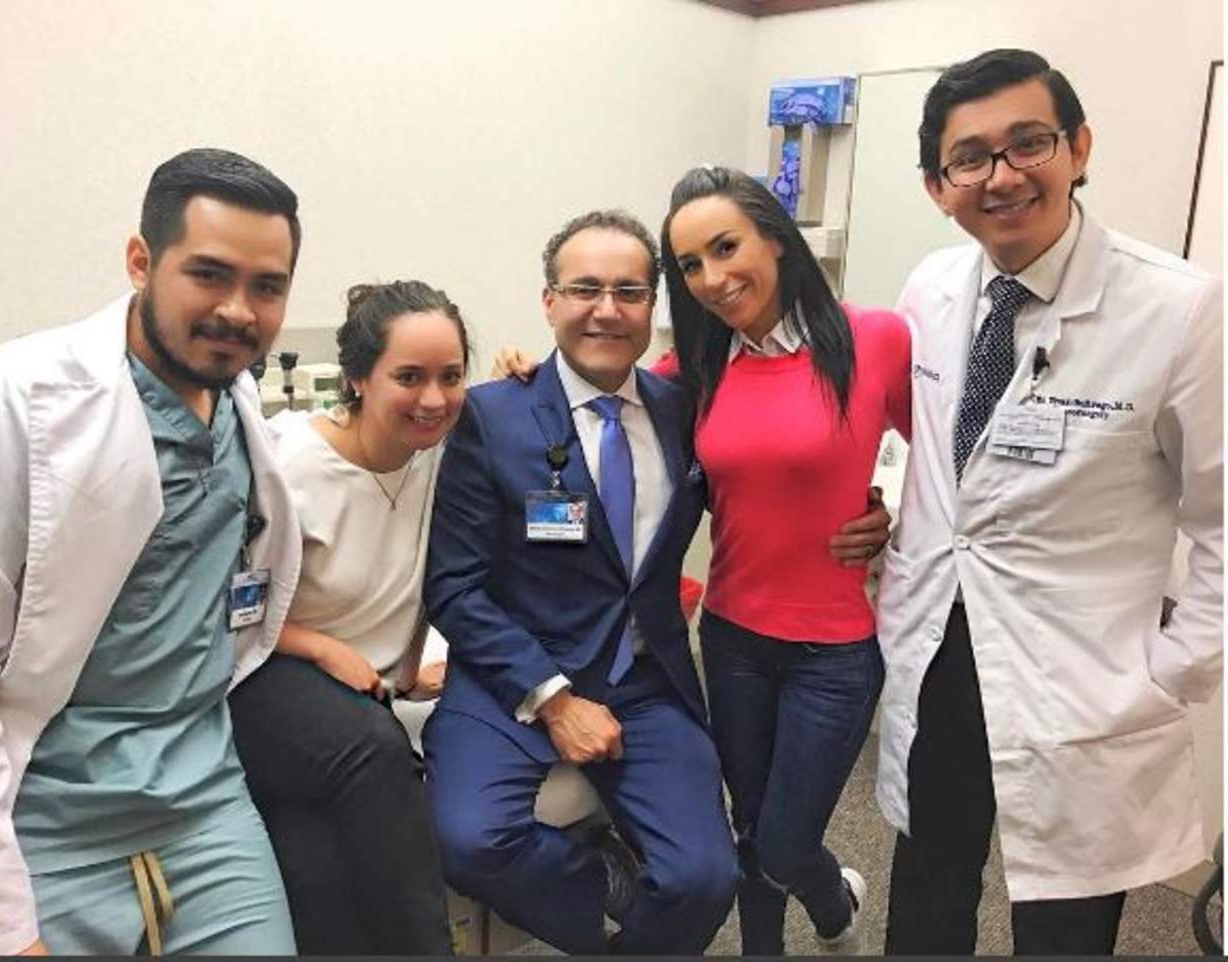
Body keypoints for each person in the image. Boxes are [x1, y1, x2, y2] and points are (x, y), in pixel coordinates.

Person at [877, 48, 1223, 956]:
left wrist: (1176, 668)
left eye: (1028, 143)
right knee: (927, 895)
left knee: (1066, 924)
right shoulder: (929, 288)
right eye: (970, 158)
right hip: (942, 644)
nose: (1002, 175)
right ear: (937, 187)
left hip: (1087, 673)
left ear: (1078, 148)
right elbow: (910, 442)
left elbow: (1223, 518)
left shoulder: (1180, 309)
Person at [0, 148, 304, 955]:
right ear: (141, 261)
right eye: (208, 274)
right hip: (40, 824)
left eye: (267, 286)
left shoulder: (240, 403)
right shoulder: (0, 404)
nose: (238, 311)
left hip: (204, 808)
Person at [422, 210, 741, 955]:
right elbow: (454, 587)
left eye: (629, 292)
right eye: (584, 289)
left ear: (653, 306)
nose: (607, 309)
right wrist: (554, 698)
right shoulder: (491, 415)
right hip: (512, 676)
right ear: (549, 302)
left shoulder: (683, 410)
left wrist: (864, 515)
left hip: (645, 676)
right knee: (470, 840)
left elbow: (762, 484)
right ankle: (603, 880)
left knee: (704, 879)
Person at [657, 165, 912, 955]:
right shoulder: (696, 366)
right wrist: (521, 376)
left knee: (785, 841)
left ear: (774, 238)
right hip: (733, 636)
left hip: (833, 651)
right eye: (690, 265)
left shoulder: (874, 338)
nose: (711, 278)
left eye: (725, 247)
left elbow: (945, 458)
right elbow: (597, 400)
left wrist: (893, 518)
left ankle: (835, 902)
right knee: (748, 828)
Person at [228, 280, 466, 955]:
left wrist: (410, 667)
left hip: (365, 698)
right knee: (376, 753)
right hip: (266, 675)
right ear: (359, 378)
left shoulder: (442, 452)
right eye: (409, 377)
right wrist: (320, 648)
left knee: (316, 869)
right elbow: (224, 610)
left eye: (451, 377)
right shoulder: (286, 466)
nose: (433, 399)